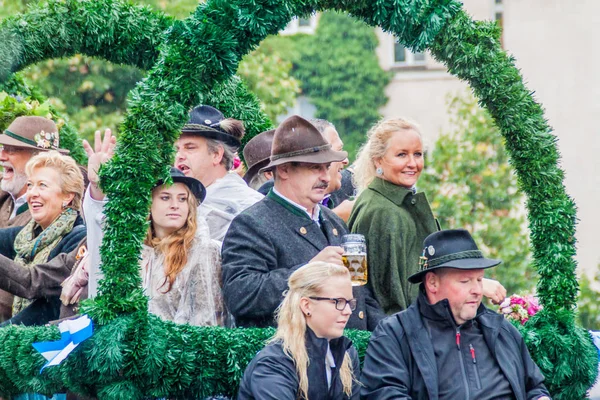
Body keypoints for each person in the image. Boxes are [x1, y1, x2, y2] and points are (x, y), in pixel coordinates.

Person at [222, 115, 384, 330]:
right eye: (314, 168)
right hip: (291, 357)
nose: (325, 177)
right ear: (284, 170)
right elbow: (242, 296)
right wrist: (309, 269)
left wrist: (386, 340)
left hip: (347, 355)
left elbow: (362, 296)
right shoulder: (250, 223)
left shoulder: (333, 220)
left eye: (327, 167)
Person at [360, 229, 551, 400]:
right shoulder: (395, 334)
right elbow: (385, 394)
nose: (477, 290)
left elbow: (534, 387)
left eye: (479, 279)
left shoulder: (500, 329)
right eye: (465, 281)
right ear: (432, 283)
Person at [348, 118, 506, 315]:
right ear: (378, 160)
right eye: (401, 155)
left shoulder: (393, 201)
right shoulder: (383, 211)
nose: (412, 163)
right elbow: (392, 297)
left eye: (418, 154)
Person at [84, 130, 226, 326]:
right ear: (148, 205)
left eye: (182, 199)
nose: (175, 205)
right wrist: (98, 186)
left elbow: (206, 321)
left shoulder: (204, 251)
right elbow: (102, 228)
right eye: (165, 197)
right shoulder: (136, 252)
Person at [237, 262, 360, 400]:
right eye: (338, 301)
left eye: (350, 303)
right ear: (306, 306)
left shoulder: (347, 354)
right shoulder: (274, 363)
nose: (348, 311)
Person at [0, 150, 85, 326]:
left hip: (51, 347)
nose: (32, 193)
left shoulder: (78, 239)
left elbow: (34, 287)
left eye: (42, 185)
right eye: (30, 185)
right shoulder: (27, 236)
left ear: (67, 196)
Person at [0, 116, 70, 321]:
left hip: (18, 337)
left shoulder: (59, 220)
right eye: (3, 148)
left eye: (11, 150)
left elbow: (34, 283)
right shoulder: (6, 198)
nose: (2, 155)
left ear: (38, 158)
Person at [174, 105, 263, 241]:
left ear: (216, 154)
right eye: (177, 149)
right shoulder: (169, 204)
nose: (179, 155)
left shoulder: (251, 205)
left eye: (190, 148)